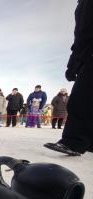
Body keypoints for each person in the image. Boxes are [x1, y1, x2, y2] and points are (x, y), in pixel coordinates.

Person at [45, 1, 93, 155]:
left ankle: (75, 141)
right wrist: (73, 64)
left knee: (81, 99)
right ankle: (87, 142)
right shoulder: (83, 4)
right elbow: (80, 36)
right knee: (83, 98)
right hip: (87, 54)